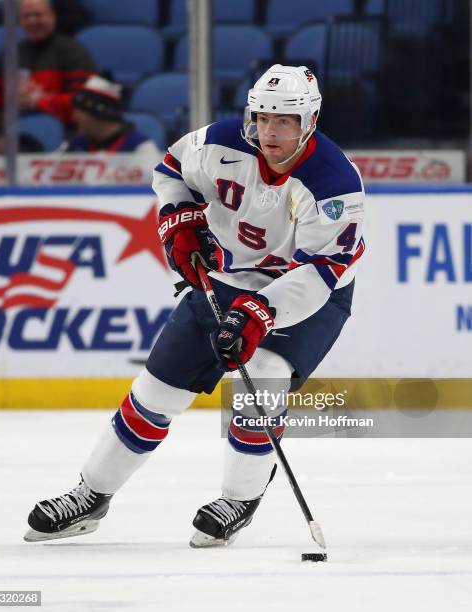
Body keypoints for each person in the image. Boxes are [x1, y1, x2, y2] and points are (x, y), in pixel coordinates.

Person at [24, 65, 366, 546]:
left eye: (284, 121)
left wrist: (259, 313)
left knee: (260, 383)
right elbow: (169, 171)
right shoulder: (220, 143)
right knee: (154, 392)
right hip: (224, 276)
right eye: (263, 117)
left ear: (309, 120)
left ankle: (239, 498)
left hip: (305, 289)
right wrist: (178, 220)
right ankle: (91, 494)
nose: (270, 131)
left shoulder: (334, 183)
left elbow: (322, 272)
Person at [0, 0, 95, 127]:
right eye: (26, 16)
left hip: (62, 131)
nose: (32, 21)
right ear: (20, 21)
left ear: (52, 17)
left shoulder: (74, 52)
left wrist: (41, 102)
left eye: (37, 15)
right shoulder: (7, 55)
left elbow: (84, 104)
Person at [63, 74, 162, 159]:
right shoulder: (72, 146)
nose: (74, 118)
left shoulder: (139, 148)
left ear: (99, 112)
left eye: (79, 113)